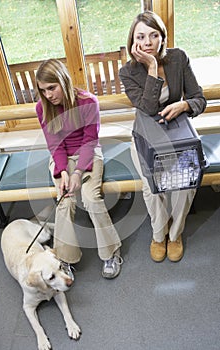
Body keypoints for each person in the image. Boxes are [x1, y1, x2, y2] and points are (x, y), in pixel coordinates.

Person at [119, 11, 206, 262]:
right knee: (152, 188)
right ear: (133, 41)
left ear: (162, 37)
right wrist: (152, 67)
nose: (148, 42)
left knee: (185, 185)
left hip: (178, 131)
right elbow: (146, 107)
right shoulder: (127, 72)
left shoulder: (178, 58)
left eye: (154, 35)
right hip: (146, 134)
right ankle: (159, 234)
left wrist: (184, 106)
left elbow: (199, 98)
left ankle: (175, 234)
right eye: (141, 36)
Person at [35, 58, 123, 278]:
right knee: (65, 202)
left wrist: (78, 172)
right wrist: (65, 172)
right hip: (61, 156)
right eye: (43, 90)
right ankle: (65, 258)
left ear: (63, 81)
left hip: (88, 152)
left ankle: (111, 252)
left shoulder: (88, 101)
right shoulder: (42, 107)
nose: (48, 95)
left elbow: (90, 140)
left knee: (91, 198)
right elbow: (55, 144)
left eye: (52, 88)